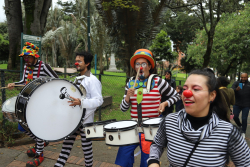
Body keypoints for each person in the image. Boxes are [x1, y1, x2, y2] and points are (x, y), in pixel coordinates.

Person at [148, 68, 250, 167]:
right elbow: (157, 144)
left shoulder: (228, 132)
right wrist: (153, 161)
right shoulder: (169, 121)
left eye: (196, 89)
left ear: (212, 95)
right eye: (185, 89)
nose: (187, 93)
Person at [116, 49, 180, 167]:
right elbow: (123, 109)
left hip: (151, 129)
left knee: (147, 162)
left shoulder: (158, 81)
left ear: (150, 66)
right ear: (135, 67)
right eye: (137, 64)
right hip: (133, 126)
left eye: (143, 64)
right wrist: (127, 98)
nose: (140, 67)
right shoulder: (130, 82)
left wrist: (165, 104)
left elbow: (177, 96)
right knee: (123, 158)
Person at [7, 42, 58, 167]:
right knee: (22, 126)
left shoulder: (44, 66)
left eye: (28, 57)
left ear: (35, 57)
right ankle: (41, 141)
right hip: (28, 101)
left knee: (36, 127)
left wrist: (43, 87)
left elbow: (57, 81)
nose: (26, 59)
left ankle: (39, 154)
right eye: (25, 57)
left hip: (41, 103)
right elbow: (24, 81)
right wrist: (14, 83)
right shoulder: (26, 67)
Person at [54, 51, 103, 167]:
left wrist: (82, 102)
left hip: (85, 120)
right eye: (76, 61)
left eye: (79, 61)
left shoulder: (93, 80)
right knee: (66, 145)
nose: (76, 63)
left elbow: (99, 100)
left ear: (87, 63)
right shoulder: (77, 79)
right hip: (74, 119)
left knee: (87, 149)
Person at [231, 73, 250, 139]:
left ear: (247, 77)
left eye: (245, 77)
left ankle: (243, 132)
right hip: (237, 103)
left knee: (244, 118)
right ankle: (240, 125)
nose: (243, 79)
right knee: (235, 117)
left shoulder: (249, 84)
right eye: (242, 77)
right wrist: (236, 90)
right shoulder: (237, 83)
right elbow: (231, 90)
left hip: (246, 104)